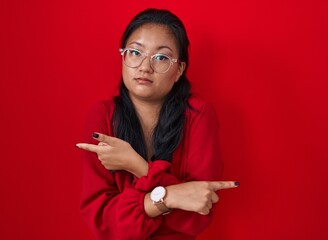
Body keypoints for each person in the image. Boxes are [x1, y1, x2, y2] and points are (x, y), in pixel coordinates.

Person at [76, 8, 238, 240]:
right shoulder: (103, 115)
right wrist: (170, 197)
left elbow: (197, 216)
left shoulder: (198, 115)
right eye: (135, 52)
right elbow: (102, 221)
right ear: (123, 57)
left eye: (161, 57)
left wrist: (136, 165)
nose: (145, 67)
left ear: (179, 69)